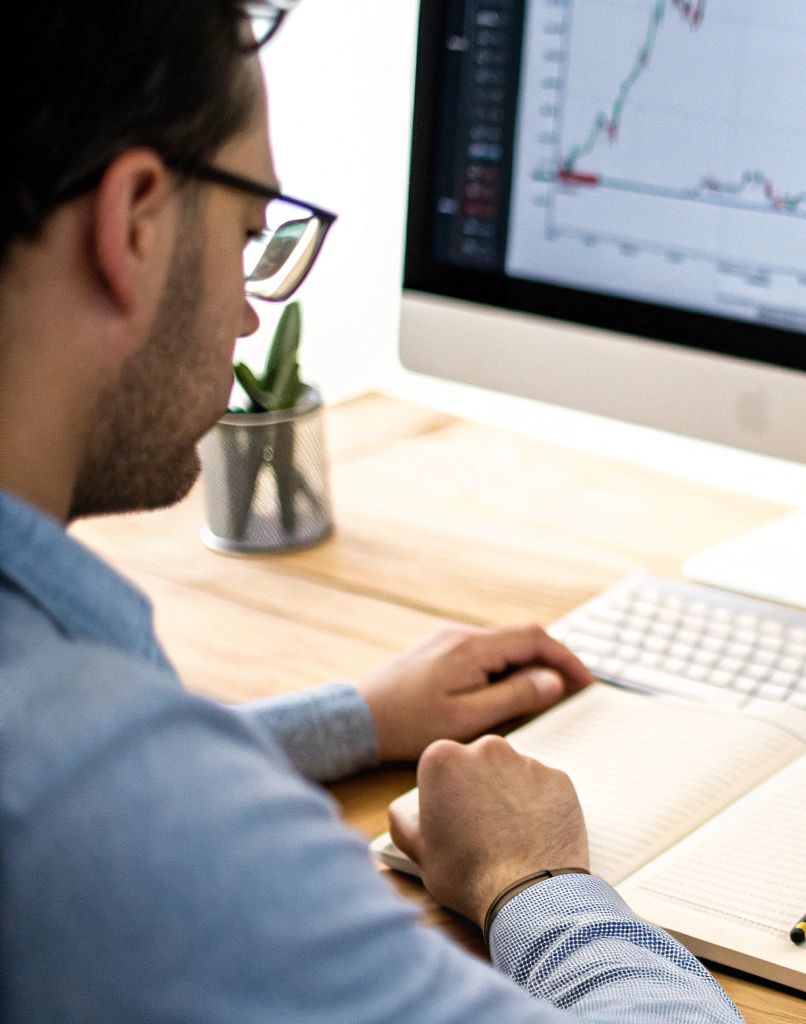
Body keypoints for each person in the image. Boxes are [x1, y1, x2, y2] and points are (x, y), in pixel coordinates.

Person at [0, 5, 743, 1021]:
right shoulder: (108, 815)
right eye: (251, 232)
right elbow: (114, 810)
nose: (248, 314)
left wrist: (350, 718)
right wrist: (534, 880)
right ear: (131, 222)